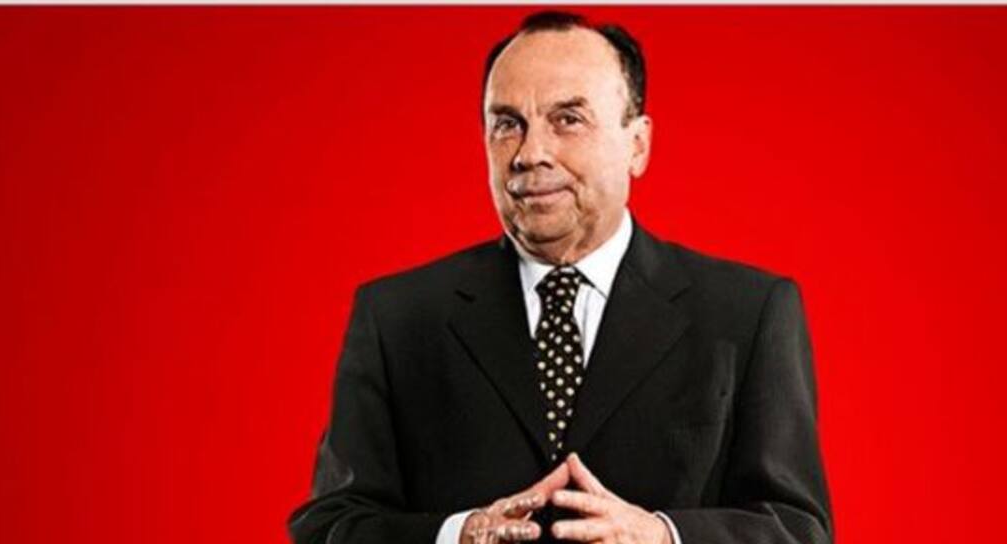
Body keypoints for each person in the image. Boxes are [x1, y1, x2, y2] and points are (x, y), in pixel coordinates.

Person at [289, 11, 832, 544]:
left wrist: (664, 537)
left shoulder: (747, 314)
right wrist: (455, 536)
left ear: (637, 144)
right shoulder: (398, 319)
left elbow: (797, 530)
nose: (530, 154)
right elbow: (328, 527)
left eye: (568, 119)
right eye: (507, 124)